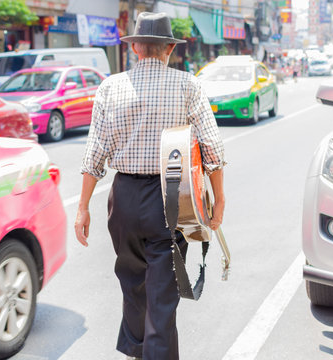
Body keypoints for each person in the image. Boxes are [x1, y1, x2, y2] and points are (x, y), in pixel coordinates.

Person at [74, 12, 226, 360]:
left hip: (123, 200)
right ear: (170, 48)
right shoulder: (188, 85)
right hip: (170, 200)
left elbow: (94, 154)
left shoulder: (110, 87)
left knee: (133, 286)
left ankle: (136, 352)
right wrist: (219, 200)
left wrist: (82, 208)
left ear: (136, 49)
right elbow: (213, 150)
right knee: (161, 297)